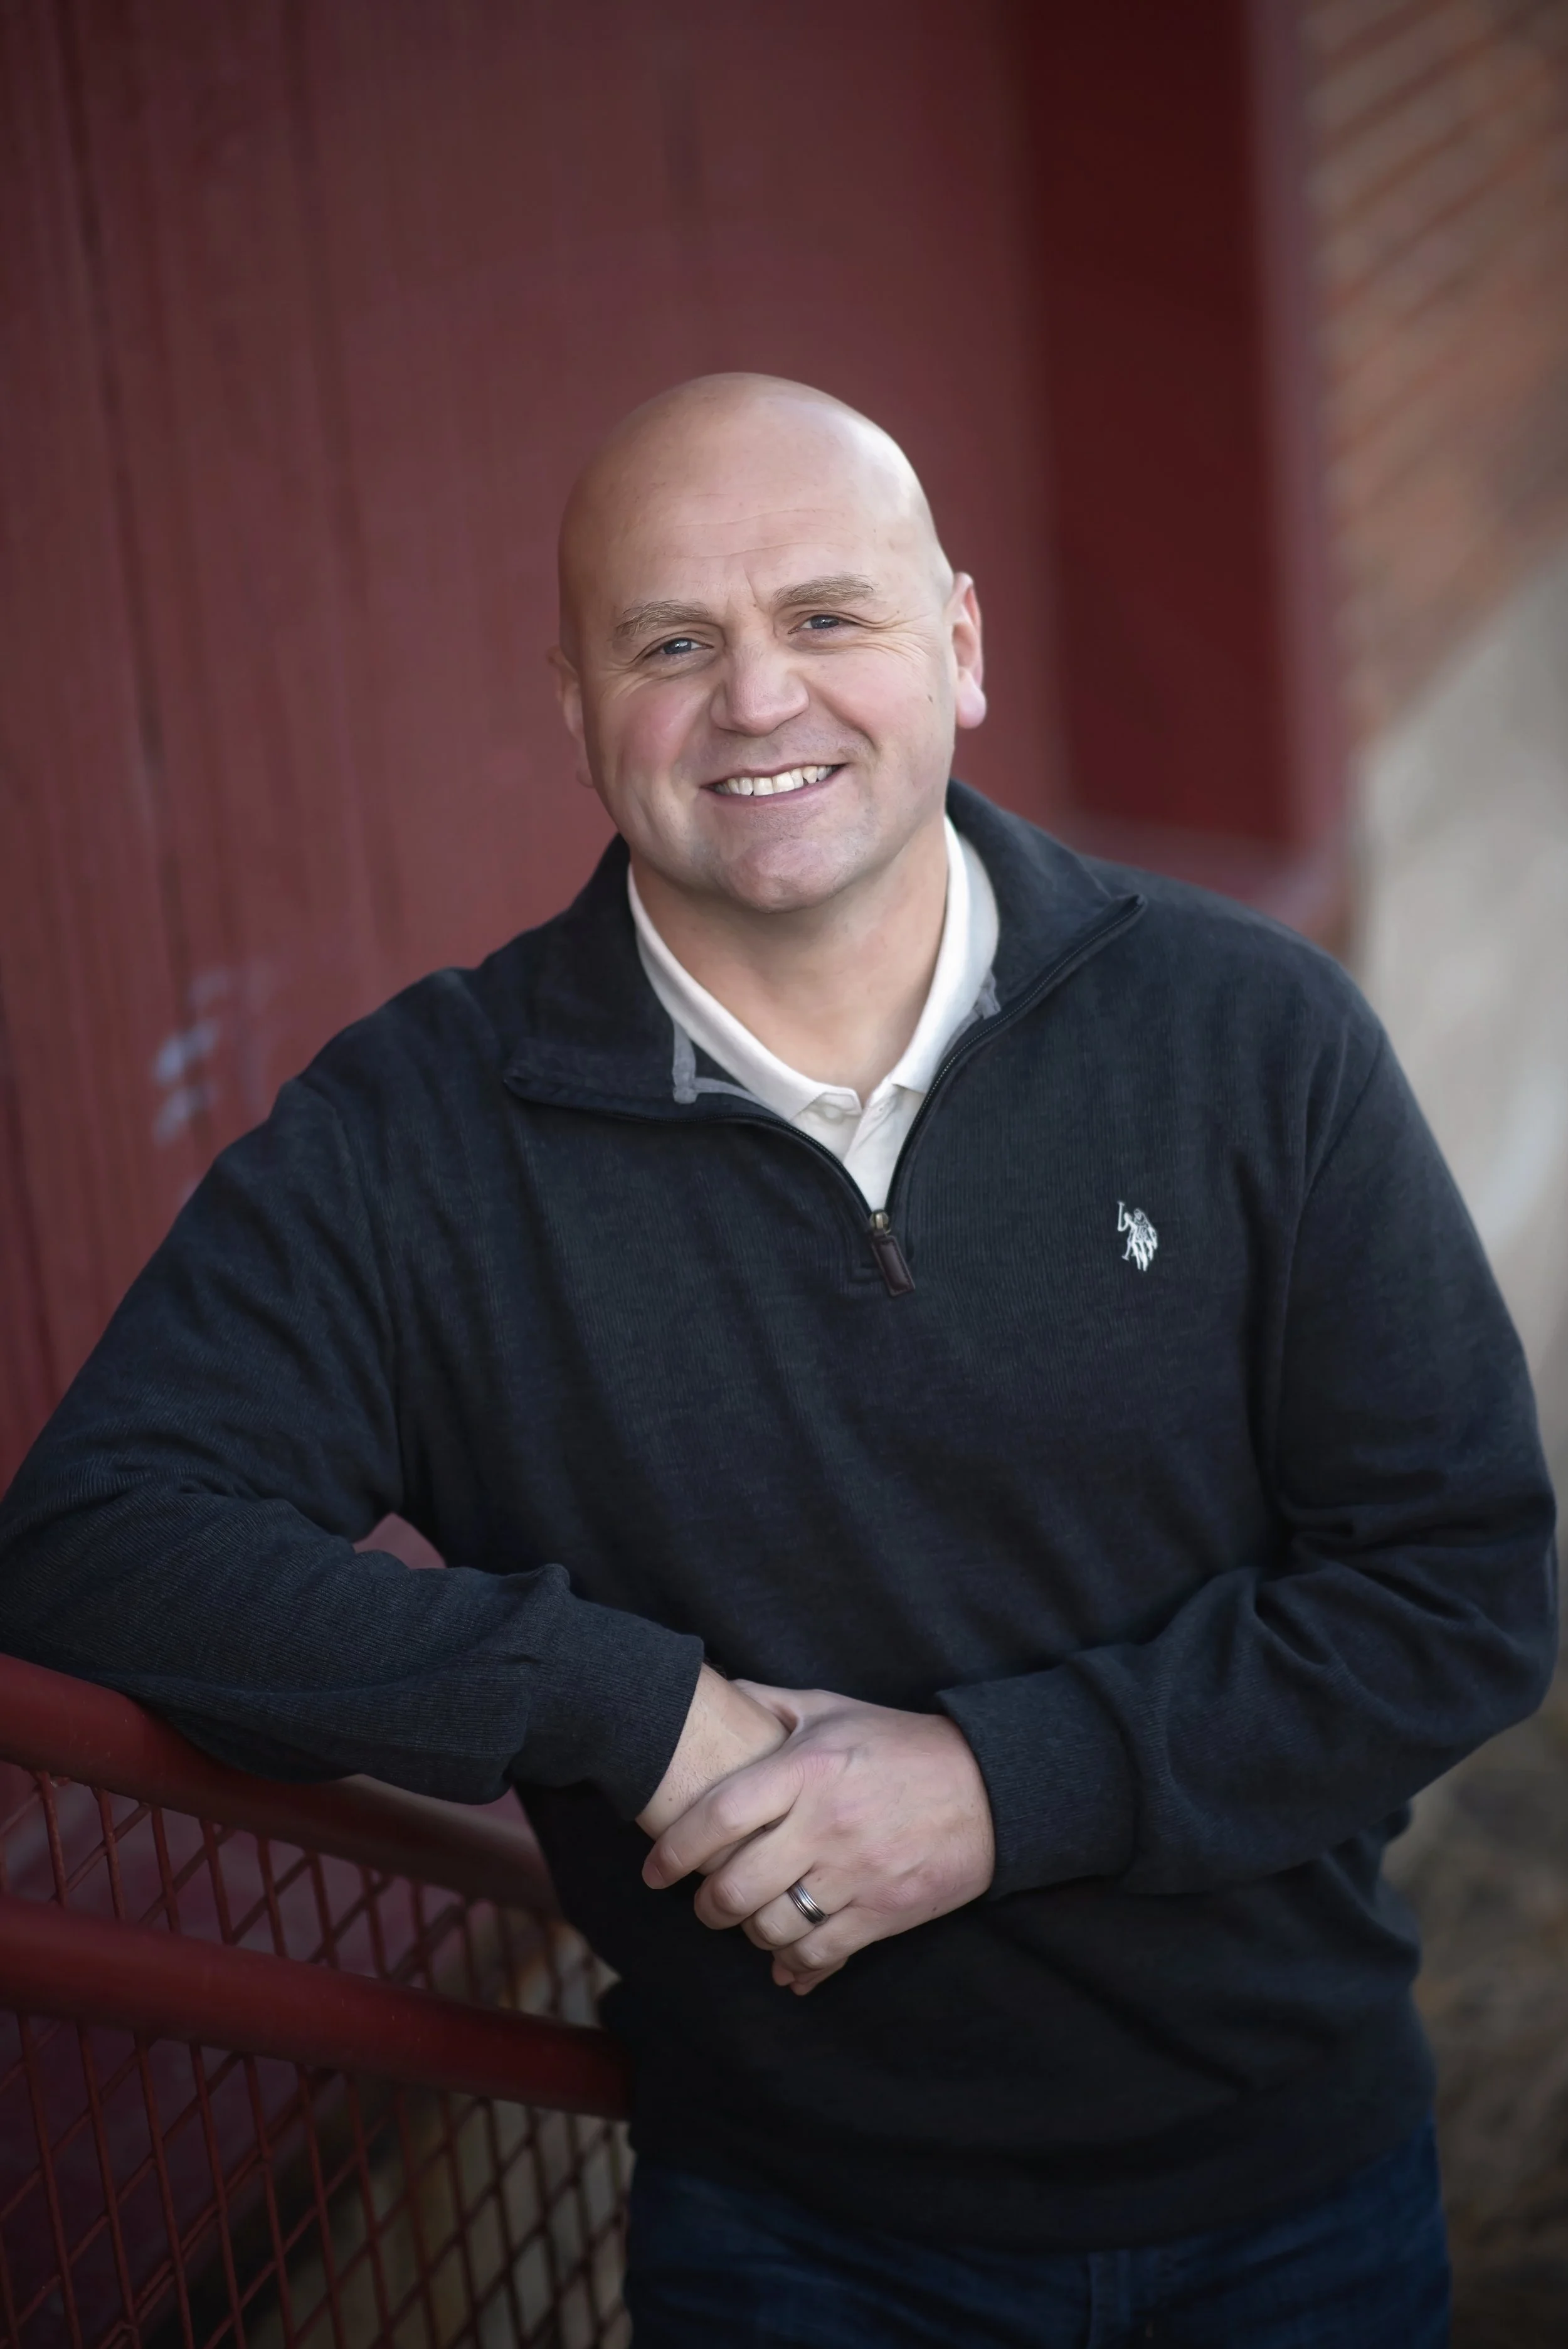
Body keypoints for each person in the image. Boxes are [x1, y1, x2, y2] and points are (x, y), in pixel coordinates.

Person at [0, 374, 1555, 2346]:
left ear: (960, 647)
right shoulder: (421, 1139)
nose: (757, 701)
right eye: (673, 644)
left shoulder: (1248, 1036)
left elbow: (1458, 1592)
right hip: (799, 2240)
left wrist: (998, 1787)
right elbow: (98, 1542)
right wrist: (619, 1703)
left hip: (1290, 2194)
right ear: (575, 711)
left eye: (828, 616)